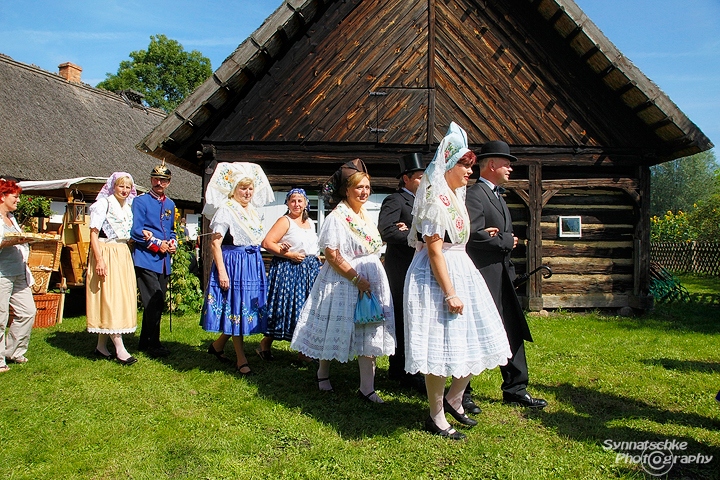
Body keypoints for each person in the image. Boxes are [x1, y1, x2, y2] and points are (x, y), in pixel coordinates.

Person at [404, 123, 511, 440]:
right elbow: (434, 251)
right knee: (438, 346)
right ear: (448, 165)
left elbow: (458, 239)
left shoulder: (455, 197)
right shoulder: (436, 200)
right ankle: (436, 416)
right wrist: (449, 292)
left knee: (477, 335)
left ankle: (454, 397)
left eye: (470, 165)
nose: (469, 171)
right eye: (464, 164)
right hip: (437, 277)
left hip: (462, 267)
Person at [290, 159, 395, 403]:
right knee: (333, 328)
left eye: (367, 187)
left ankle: (367, 387)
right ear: (346, 190)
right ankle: (323, 373)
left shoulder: (365, 216)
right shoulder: (337, 218)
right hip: (342, 281)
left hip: (369, 280)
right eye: (359, 187)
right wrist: (357, 279)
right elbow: (332, 254)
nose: (364, 192)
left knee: (369, 328)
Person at [464, 140, 548, 410]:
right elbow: (471, 235)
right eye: (506, 163)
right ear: (491, 165)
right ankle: (462, 394)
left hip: (503, 275)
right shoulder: (474, 194)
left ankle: (516, 388)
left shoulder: (497, 194)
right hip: (483, 275)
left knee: (512, 328)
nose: (511, 168)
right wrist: (504, 241)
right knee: (474, 332)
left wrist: (504, 240)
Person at [200, 162, 274, 375]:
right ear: (234, 190)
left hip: (251, 263)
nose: (247, 192)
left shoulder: (252, 211)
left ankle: (217, 346)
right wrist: (222, 271)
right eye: (243, 188)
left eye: (250, 188)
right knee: (236, 309)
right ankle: (241, 359)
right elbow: (215, 243)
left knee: (243, 309)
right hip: (234, 263)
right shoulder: (227, 209)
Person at [378, 153, 426, 392]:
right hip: (401, 270)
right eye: (419, 178)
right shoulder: (395, 200)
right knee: (402, 318)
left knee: (414, 317)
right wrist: (414, 238)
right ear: (406, 179)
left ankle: (404, 368)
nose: (423, 181)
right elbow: (386, 231)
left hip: (418, 269)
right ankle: (403, 370)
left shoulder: (423, 201)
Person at [257, 188, 321, 362]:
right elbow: (267, 242)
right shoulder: (285, 221)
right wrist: (288, 254)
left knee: (307, 311)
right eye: (293, 201)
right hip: (289, 270)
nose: (296, 204)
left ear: (306, 203)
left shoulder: (310, 223)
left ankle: (303, 351)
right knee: (287, 310)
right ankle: (266, 344)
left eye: (300, 201)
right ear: (287, 203)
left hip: (308, 270)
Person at [86, 172, 139, 365]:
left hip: (122, 252)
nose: (124, 190)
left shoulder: (129, 206)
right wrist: (99, 259)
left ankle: (101, 345)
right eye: (120, 186)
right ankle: (119, 347)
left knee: (118, 296)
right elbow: (92, 234)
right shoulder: (103, 204)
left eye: (127, 187)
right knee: (110, 297)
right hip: (106, 251)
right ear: (113, 186)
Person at [131, 160, 177, 358]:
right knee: (155, 300)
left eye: (164, 180)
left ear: (168, 182)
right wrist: (158, 245)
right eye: (156, 179)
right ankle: (154, 344)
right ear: (151, 179)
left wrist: (173, 243)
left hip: (164, 261)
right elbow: (135, 231)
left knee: (156, 300)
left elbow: (172, 231)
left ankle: (144, 341)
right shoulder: (141, 202)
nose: (159, 183)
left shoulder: (171, 204)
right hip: (146, 258)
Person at [0, 178, 36, 372]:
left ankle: (13, 351)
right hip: (2, 273)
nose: (18, 201)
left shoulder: (11, 219)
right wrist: (13, 241)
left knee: (28, 311)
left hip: (19, 272)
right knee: (1, 316)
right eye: (15, 197)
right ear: (3, 196)